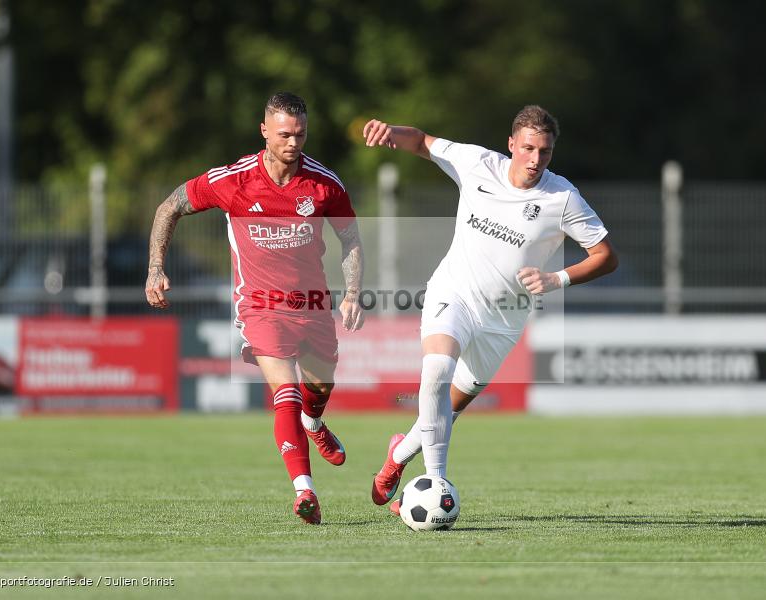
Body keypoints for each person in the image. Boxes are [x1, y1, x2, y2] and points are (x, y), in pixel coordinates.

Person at [362, 105, 618, 513]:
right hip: (455, 294)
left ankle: (398, 455)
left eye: (546, 152)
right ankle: (435, 484)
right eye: (529, 148)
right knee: (436, 372)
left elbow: (605, 255)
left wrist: (558, 279)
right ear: (512, 144)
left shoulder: (562, 197)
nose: (536, 160)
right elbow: (423, 141)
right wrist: (392, 130)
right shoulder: (477, 163)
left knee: (452, 406)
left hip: (504, 320)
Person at [146, 92, 364, 525]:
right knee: (283, 393)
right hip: (260, 306)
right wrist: (155, 269)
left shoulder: (324, 184)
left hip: (313, 305)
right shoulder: (235, 180)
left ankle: (315, 424)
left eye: (300, 133)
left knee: (319, 390)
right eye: (284, 134)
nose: (293, 142)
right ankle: (304, 490)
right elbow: (169, 206)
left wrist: (353, 293)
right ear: (264, 131)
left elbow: (351, 237)